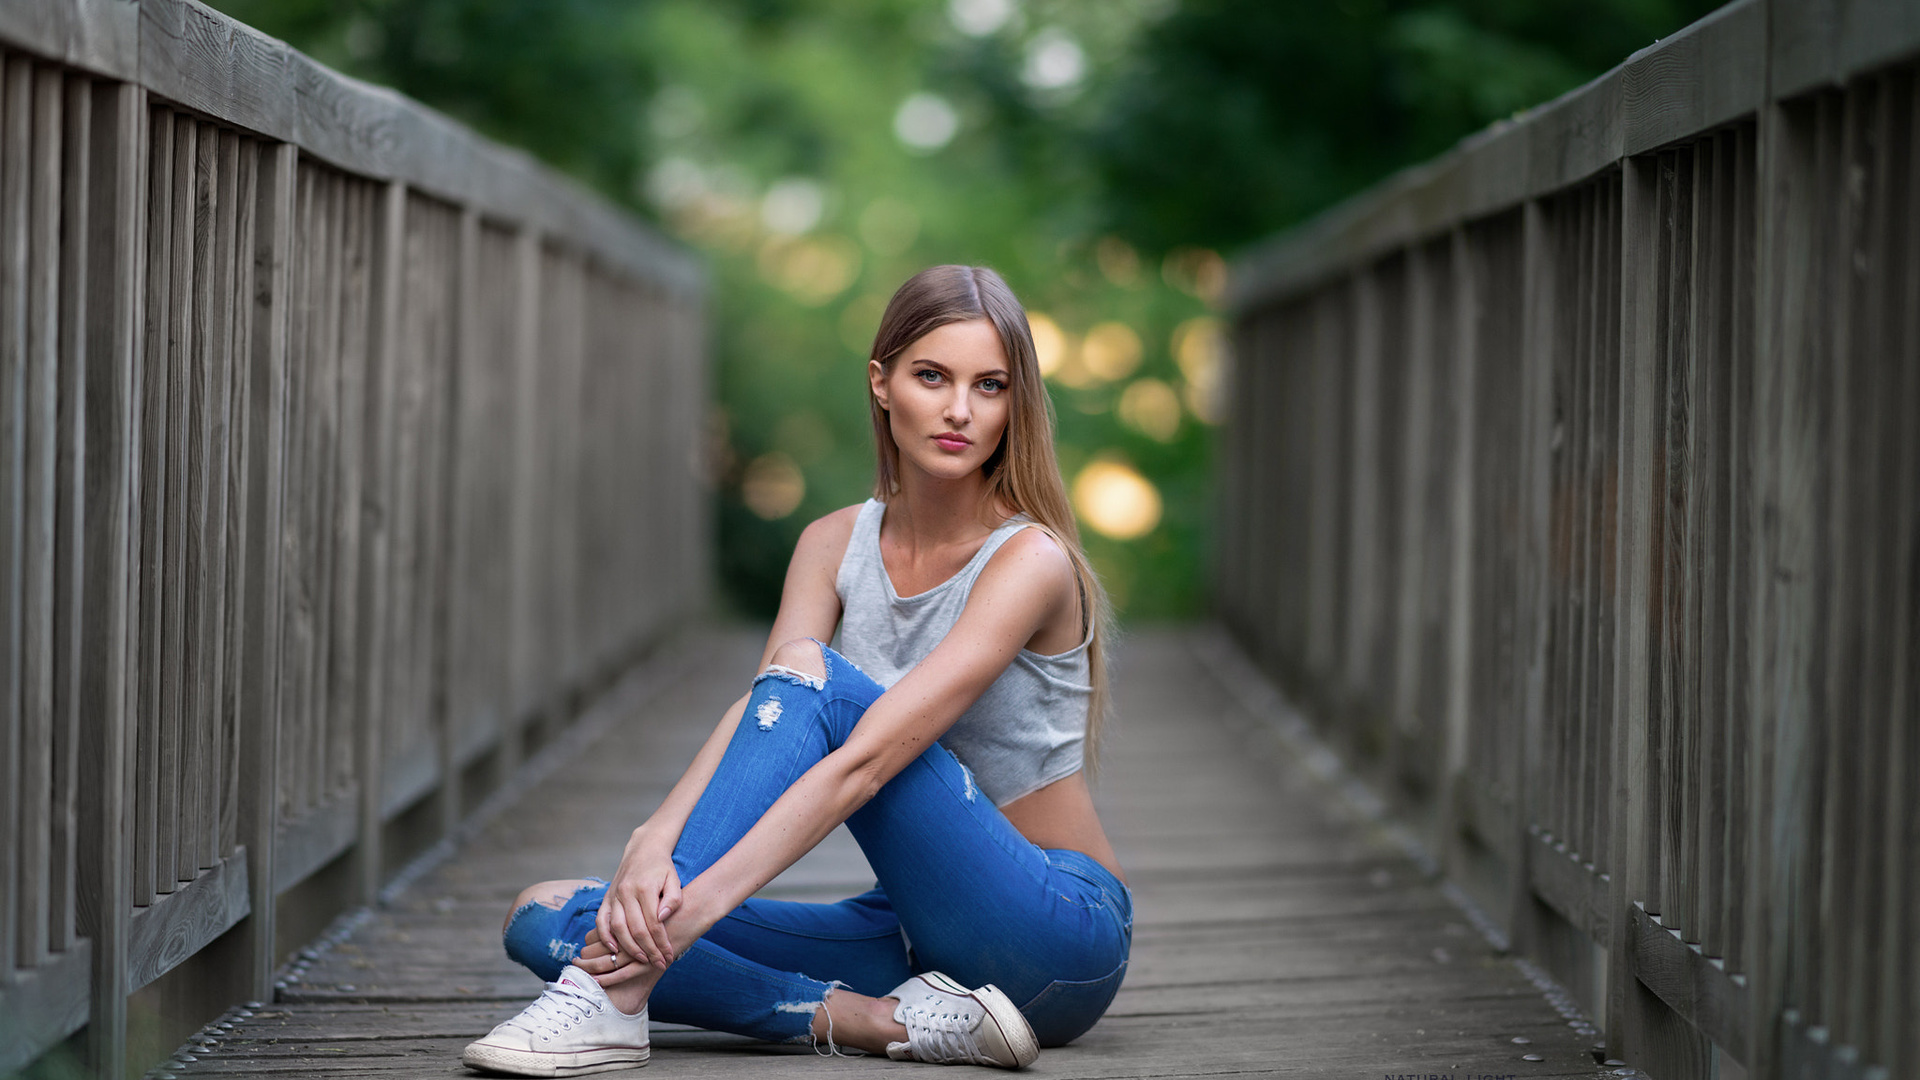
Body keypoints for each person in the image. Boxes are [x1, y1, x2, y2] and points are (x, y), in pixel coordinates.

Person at [462, 265, 1131, 1076]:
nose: (960, 409)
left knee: (816, 690)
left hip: (1054, 936)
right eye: (932, 377)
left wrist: (687, 916)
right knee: (547, 914)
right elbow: (770, 706)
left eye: (989, 386)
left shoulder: (1030, 559)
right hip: (914, 942)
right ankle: (867, 1022)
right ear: (882, 385)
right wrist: (656, 838)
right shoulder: (830, 544)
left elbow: (865, 759)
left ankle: (616, 996)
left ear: (1012, 406)